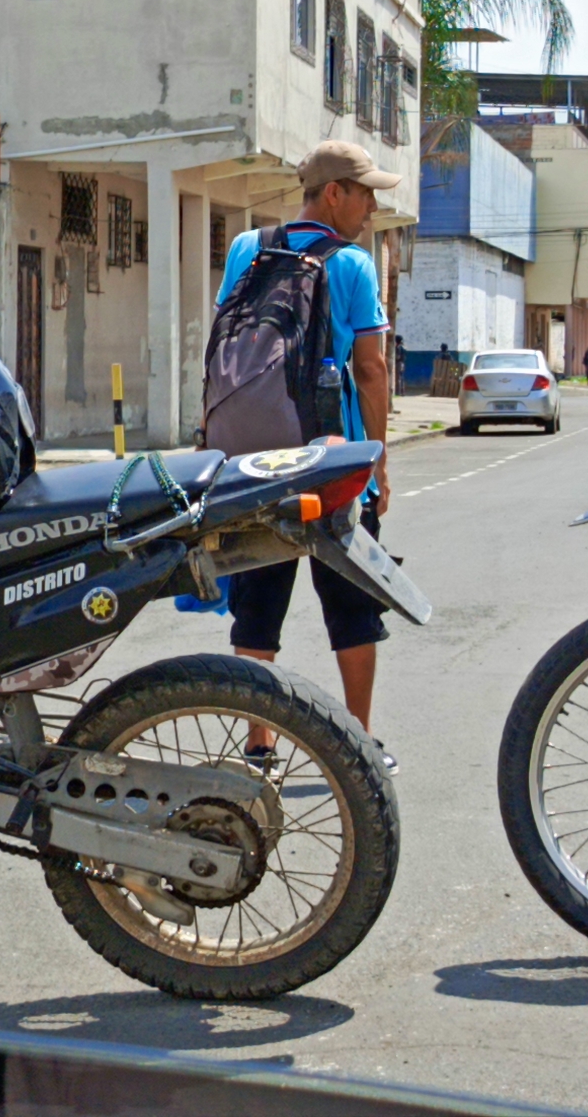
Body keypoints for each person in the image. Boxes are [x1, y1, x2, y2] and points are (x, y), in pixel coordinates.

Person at [217, 139, 401, 773]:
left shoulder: (247, 247)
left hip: (250, 463)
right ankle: (359, 743)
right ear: (334, 194)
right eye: (367, 192)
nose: (373, 207)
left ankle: (258, 745)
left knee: (257, 603)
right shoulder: (351, 263)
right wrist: (375, 460)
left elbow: (226, 349)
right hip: (328, 464)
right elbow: (371, 369)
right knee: (352, 603)